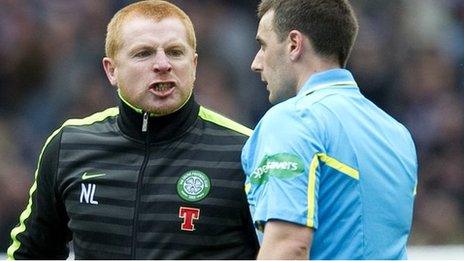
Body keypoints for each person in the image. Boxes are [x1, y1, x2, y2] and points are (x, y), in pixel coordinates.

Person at [8, 1, 259, 259]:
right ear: (111, 70)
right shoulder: (69, 146)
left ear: (193, 65)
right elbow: (31, 252)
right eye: (144, 53)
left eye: (175, 52)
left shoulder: (246, 151)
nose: (163, 64)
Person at [241, 0, 418, 259]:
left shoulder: (292, 120)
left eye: (262, 45)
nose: (256, 63)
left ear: (294, 44)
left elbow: (288, 246)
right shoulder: (398, 134)